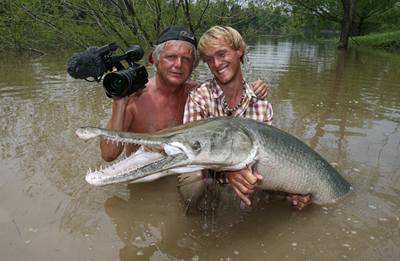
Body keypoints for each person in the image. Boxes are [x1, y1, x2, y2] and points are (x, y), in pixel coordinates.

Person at [99, 26, 268, 205]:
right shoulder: (134, 98)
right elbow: (108, 154)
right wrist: (119, 101)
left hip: (185, 175)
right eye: (171, 57)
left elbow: (231, 95)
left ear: (193, 65)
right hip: (145, 182)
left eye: (186, 59)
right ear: (154, 59)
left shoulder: (197, 93)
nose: (178, 65)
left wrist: (255, 88)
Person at [180, 26, 311, 210]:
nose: (216, 64)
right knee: (194, 185)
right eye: (209, 60)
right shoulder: (199, 98)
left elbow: (267, 161)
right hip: (208, 176)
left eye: (222, 54)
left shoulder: (262, 106)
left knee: (280, 194)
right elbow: (191, 151)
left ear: (239, 50)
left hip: (248, 177)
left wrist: (293, 192)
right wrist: (229, 171)